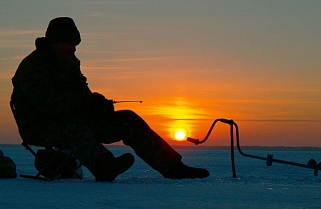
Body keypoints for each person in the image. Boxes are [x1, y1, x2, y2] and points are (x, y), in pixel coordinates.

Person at [11, 17, 209, 182]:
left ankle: (174, 168)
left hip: (75, 120)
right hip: (40, 126)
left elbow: (83, 97)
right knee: (73, 128)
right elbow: (46, 103)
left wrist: (99, 105)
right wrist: (86, 103)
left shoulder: (70, 63)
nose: (73, 49)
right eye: (69, 43)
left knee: (128, 119)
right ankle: (104, 166)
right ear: (54, 42)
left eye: (75, 44)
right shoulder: (33, 67)